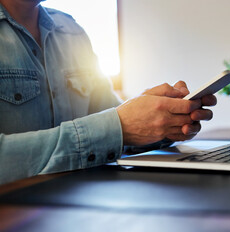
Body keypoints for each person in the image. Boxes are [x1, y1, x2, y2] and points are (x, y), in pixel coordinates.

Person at [0, 0, 217, 184]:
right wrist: (120, 126)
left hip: (83, 201)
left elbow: (111, 119)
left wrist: (160, 123)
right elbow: (113, 127)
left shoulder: (72, 32)